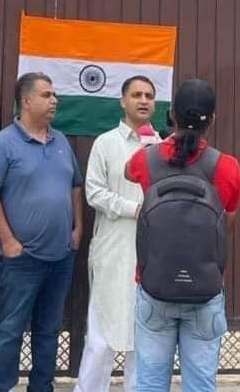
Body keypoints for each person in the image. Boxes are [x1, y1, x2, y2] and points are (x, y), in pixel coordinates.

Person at [125, 78, 240, 392]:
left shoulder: (145, 159)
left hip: (153, 286)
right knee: (201, 384)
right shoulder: (227, 167)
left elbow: (127, 172)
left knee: (149, 382)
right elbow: (226, 225)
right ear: (213, 119)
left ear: (172, 115)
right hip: (205, 289)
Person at [0, 72, 84, 392]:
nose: (54, 101)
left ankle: (41, 387)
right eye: (47, 95)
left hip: (61, 256)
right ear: (26, 101)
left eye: (54, 95)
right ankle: (1, 387)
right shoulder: (3, 144)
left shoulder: (61, 141)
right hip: (22, 258)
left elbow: (75, 186)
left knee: (49, 329)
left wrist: (78, 229)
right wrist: (8, 241)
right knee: (10, 329)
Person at [75, 75, 160, 392]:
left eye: (149, 95)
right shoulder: (106, 143)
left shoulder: (161, 147)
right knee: (102, 336)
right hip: (113, 250)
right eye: (136, 94)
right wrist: (133, 209)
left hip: (150, 252)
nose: (143, 100)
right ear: (122, 101)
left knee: (145, 338)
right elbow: (94, 193)